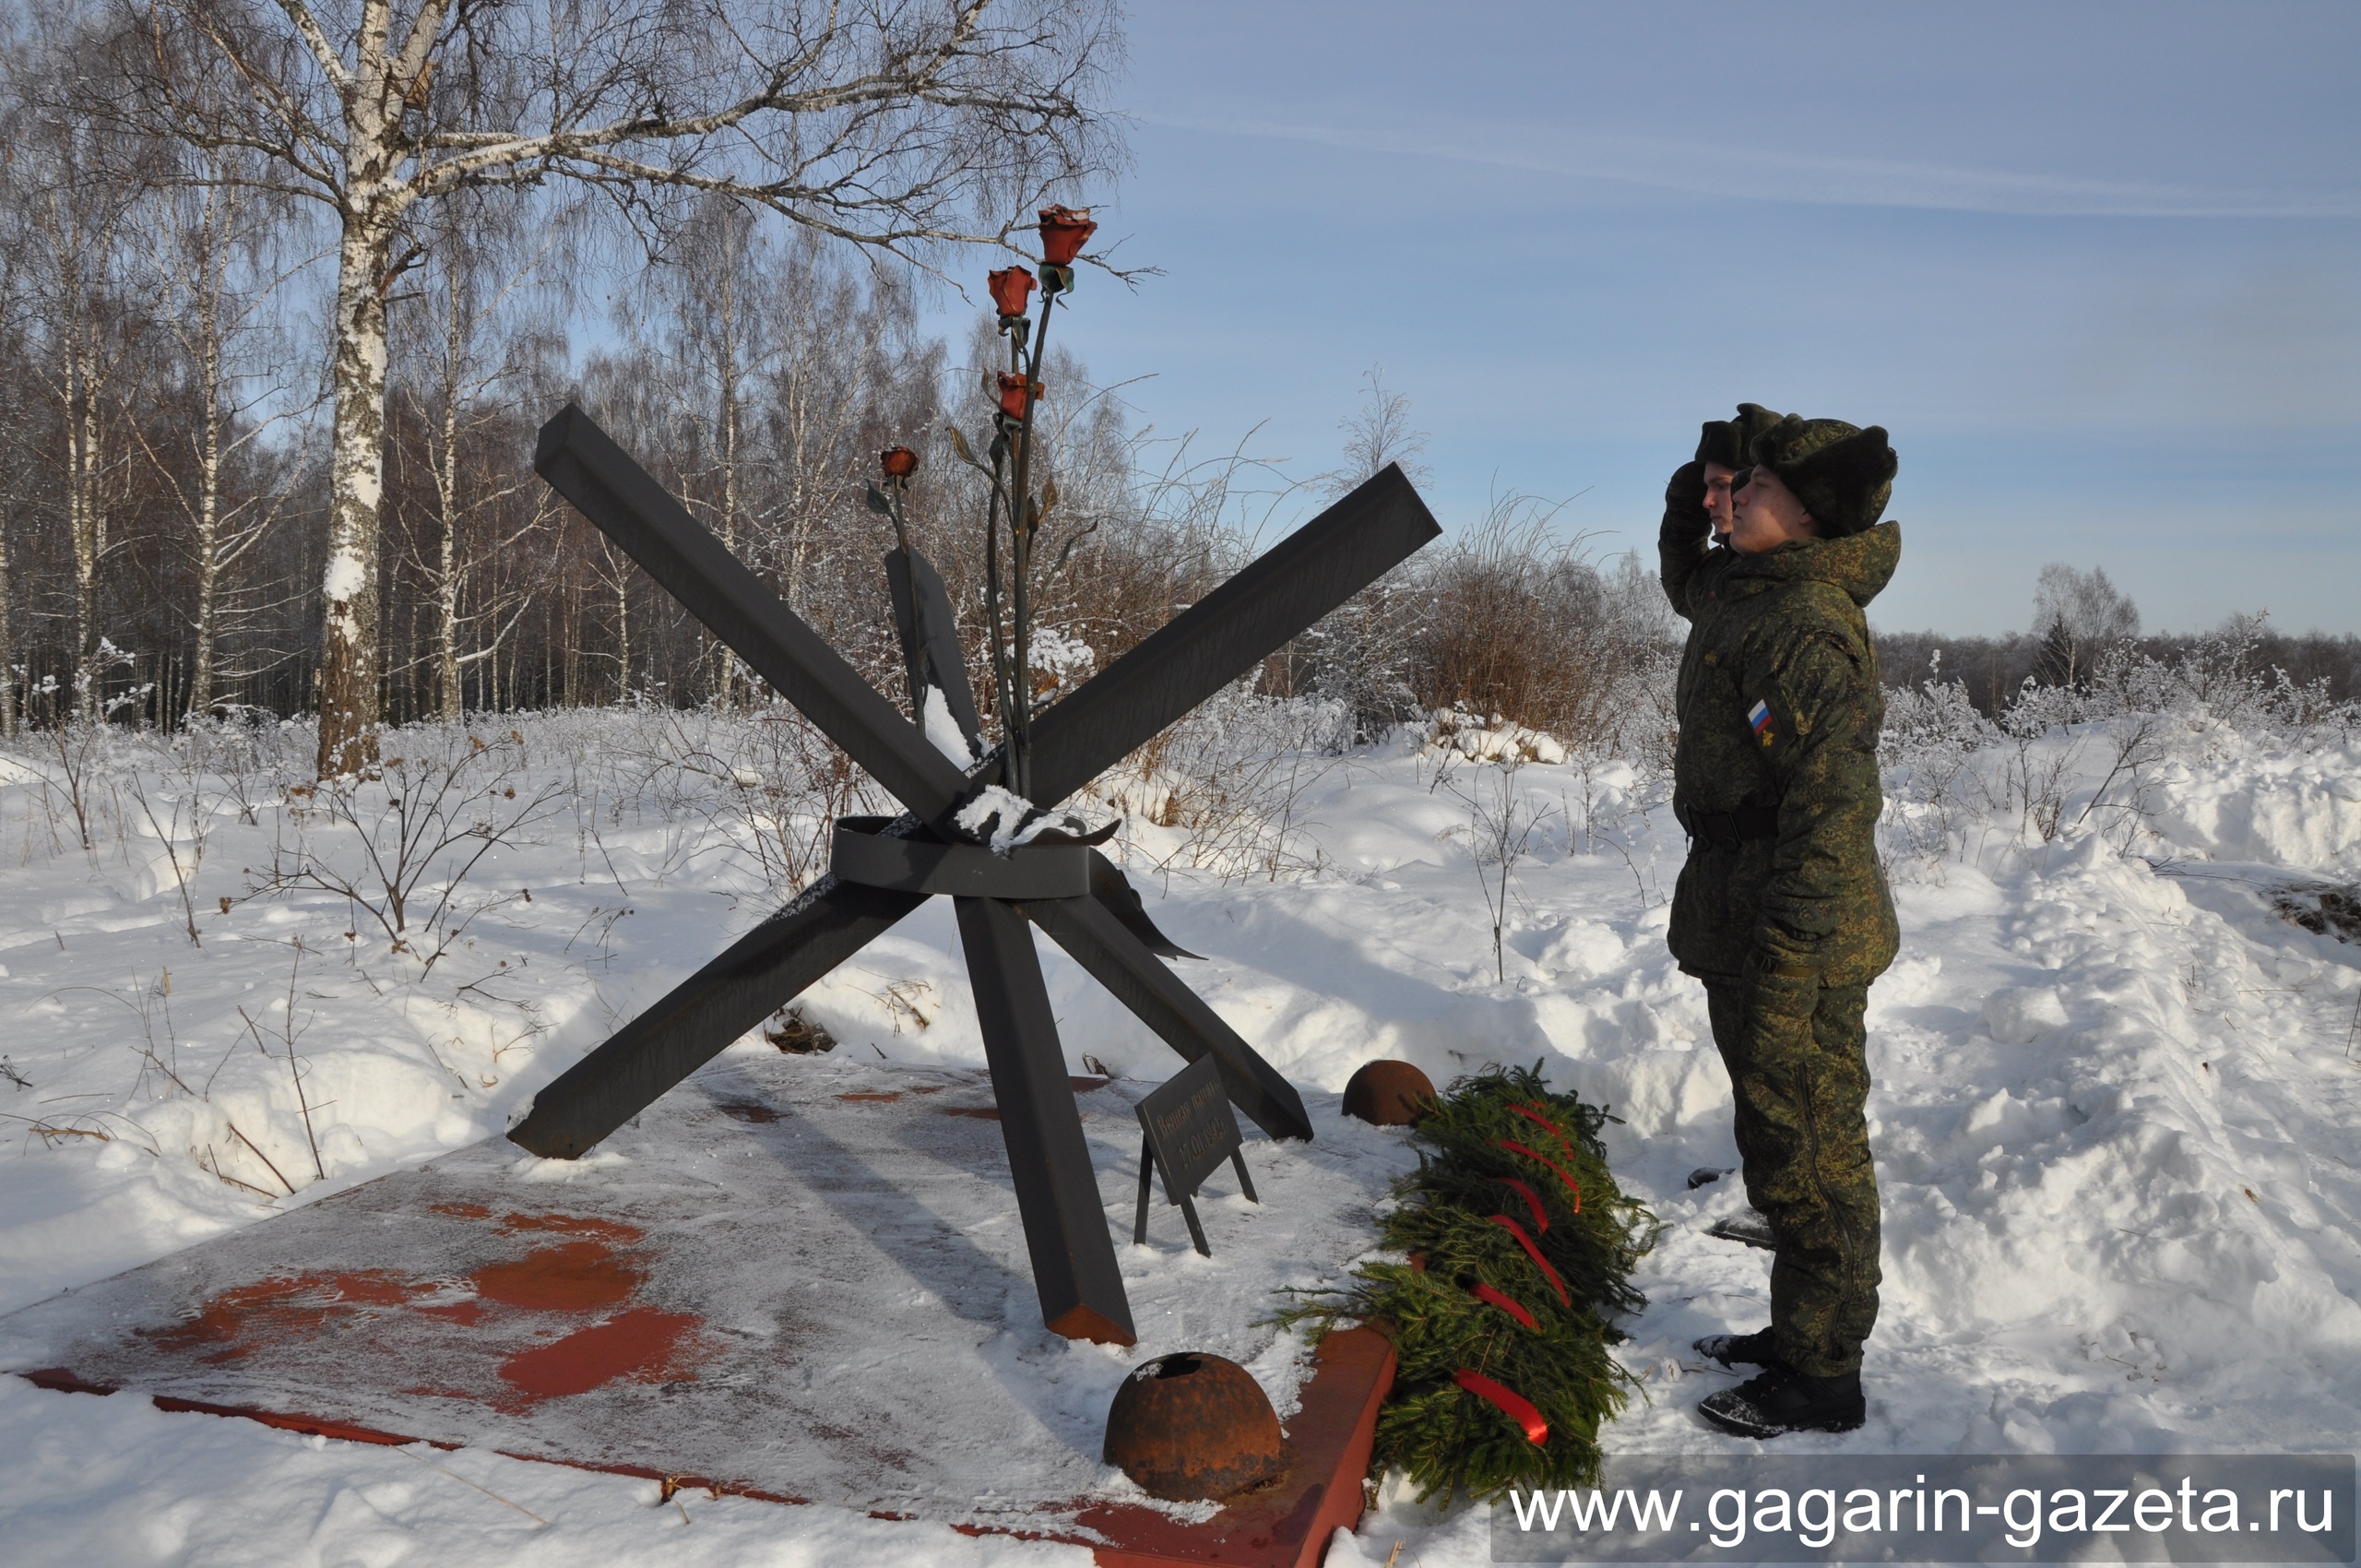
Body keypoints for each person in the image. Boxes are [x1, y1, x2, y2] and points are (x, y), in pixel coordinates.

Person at [1657, 412, 1902, 1438]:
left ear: (1806, 516)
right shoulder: (1745, 591)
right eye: (1731, 484)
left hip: (1793, 928)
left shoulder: (1802, 623)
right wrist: (1693, 489)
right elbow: (1685, 580)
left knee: (1810, 1152)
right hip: (1747, 907)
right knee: (1779, 1139)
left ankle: (1822, 1374)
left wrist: (1792, 956)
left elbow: (1835, 804)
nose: (1732, 497)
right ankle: (1799, 1329)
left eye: (1751, 485)